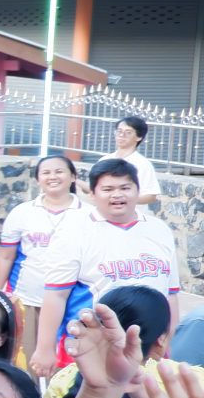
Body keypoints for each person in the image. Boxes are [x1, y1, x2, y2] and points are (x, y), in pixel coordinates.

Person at [33, 157, 180, 375]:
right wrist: (44, 349)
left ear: (137, 191)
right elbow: (56, 295)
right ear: (92, 194)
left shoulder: (159, 230)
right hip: (93, 346)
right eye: (108, 189)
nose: (117, 195)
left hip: (149, 348)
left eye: (125, 188)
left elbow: (171, 294)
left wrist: (168, 342)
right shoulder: (73, 231)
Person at [0, 153, 78, 363]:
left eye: (59, 171)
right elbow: (5, 256)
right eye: (46, 173)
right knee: (26, 360)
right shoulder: (22, 213)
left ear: (73, 176)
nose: (52, 177)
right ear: (38, 179)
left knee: (67, 364)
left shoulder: (88, 215)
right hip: (26, 299)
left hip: (72, 303)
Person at [101, 115, 160, 206]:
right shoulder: (104, 160)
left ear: (139, 137)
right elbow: (95, 188)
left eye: (128, 132)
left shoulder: (142, 164)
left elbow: (151, 195)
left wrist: (125, 200)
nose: (121, 135)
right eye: (119, 131)